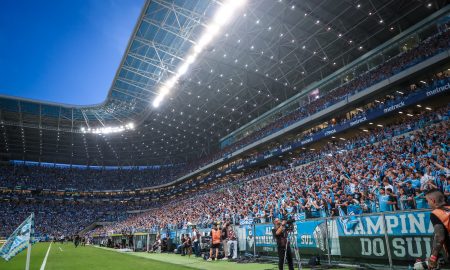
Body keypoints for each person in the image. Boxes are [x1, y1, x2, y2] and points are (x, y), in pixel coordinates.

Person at [425, 189, 450, 269]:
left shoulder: (436, 213)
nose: (428, 203)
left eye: (427, 201)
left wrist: (433, 258)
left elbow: (439, 238)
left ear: (433, 200)